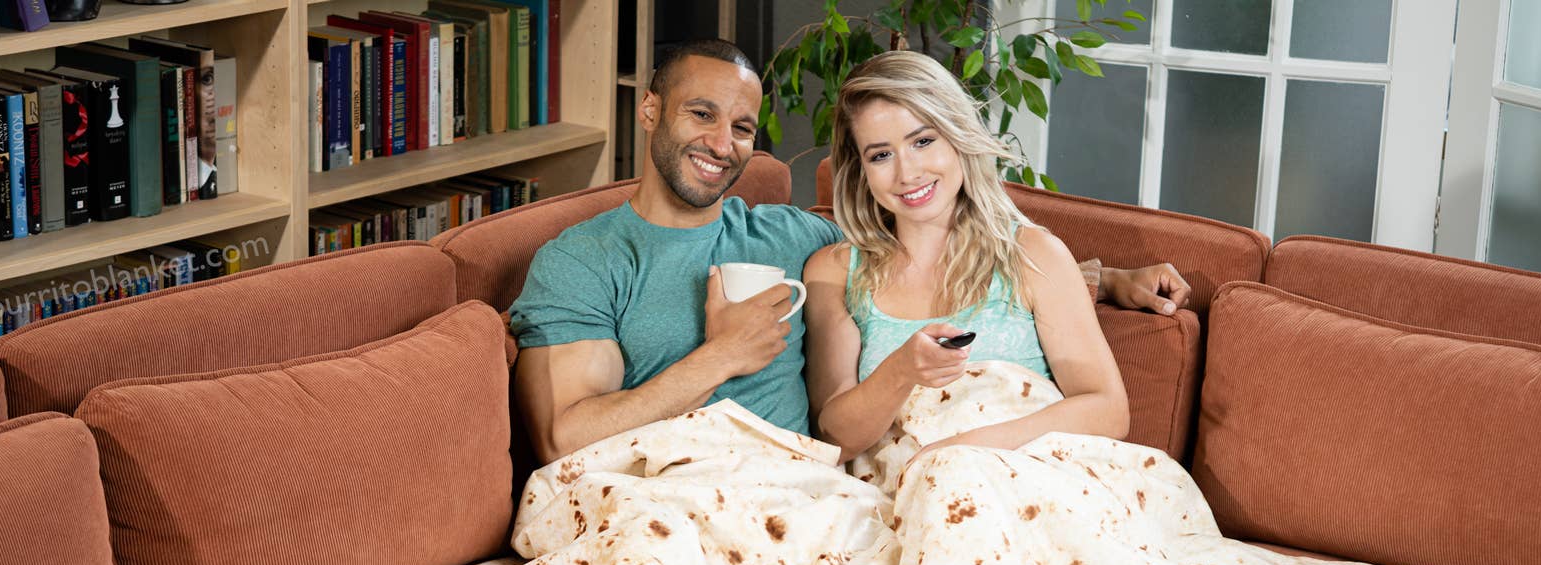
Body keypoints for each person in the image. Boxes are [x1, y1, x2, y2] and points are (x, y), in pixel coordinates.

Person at [508, 38, 1189, 464]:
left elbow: (941, 254)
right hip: (678, 492)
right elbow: (565, 442)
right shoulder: (584, 261)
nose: (721, 144)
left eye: (742, 126)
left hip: (813, 495)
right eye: (701, 114)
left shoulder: (795, 238)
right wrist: (723, 355)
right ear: (650, 109)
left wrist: (1107, 279)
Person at [804, 50, 1128, 467]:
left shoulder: (1033, 255)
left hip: (1021, 478)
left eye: (923, 141)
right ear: (860, 168)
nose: (907, 173)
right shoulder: (833, 272)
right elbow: (835, 440)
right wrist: (900, 371)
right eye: (881, 155)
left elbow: (1107, 408)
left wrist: (962, 452)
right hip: (897, 487)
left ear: (957, 135)